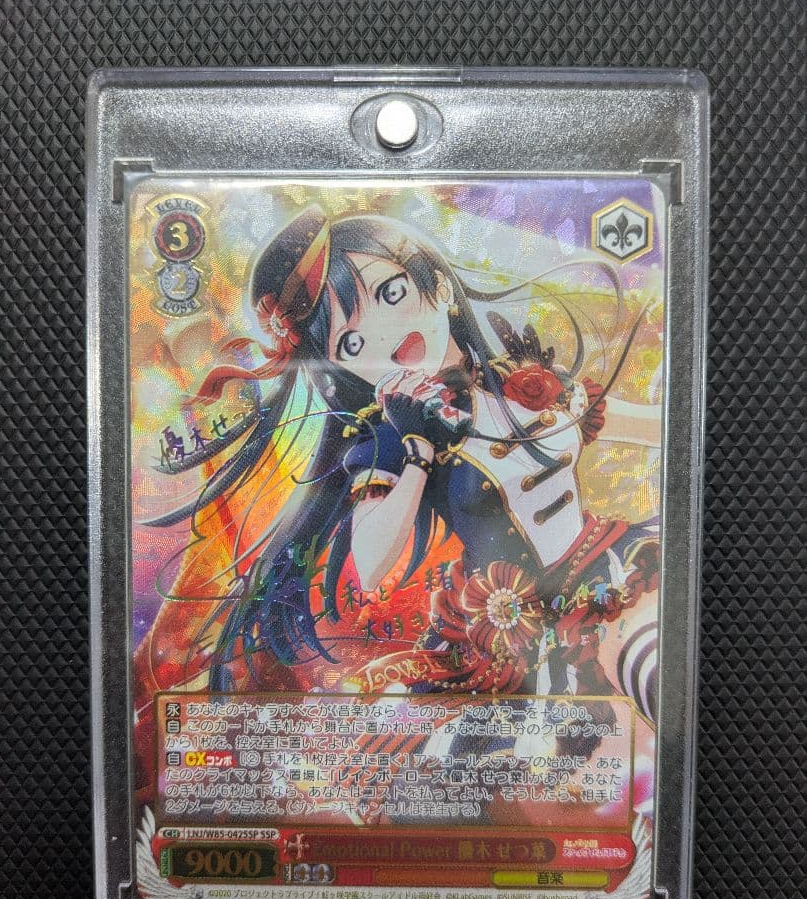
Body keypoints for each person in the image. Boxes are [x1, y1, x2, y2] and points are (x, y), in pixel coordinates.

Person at [148, 206, 660, 716]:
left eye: (390, 294)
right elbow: (371, 563)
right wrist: (418, 450)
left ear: (438, 286)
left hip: (605, 566)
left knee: (653, 654)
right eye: (352, 342)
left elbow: (649, 426)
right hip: (505, 625)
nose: (386, 337)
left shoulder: (522, 379)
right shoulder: (392, 436)